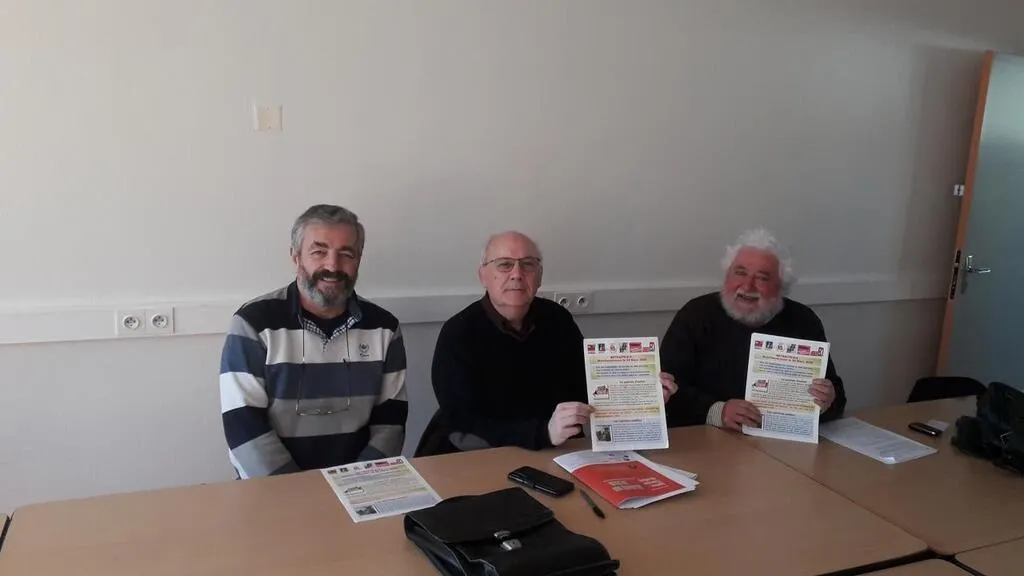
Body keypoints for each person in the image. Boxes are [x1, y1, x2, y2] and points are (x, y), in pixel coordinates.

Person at [429, 231, 677, 454]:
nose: (517, 274)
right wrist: (544, 432)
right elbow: (462, 423)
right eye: (504, 265)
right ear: (483, 276)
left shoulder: (556, 319)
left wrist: (642, 397)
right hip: (483, 458)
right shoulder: (458, 333)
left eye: (528, 264)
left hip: (560, 452)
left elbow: (587, 386)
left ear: (539, 276)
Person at [219, 205, 407, 478]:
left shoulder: (384, 328)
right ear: (296, 257)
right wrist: (300, 492)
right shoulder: (253, 324)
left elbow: (391, 423)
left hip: (360, 486)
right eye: (319, 252)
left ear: (359, 260)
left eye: (346, 254)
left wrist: (357, 484)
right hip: (273, 489)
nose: (332, 266)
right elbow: (243, 425)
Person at [661, 229, 846, 430]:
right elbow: (666, 390)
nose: (748, 286)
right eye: (740, 273)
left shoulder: (803, 320)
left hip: (781, 440)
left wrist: (827, 401)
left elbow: (836, 396)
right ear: (727, 276)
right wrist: (717, 411)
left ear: (780, 286)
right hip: (704, 438)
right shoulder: (696, 315)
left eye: (762, 278)